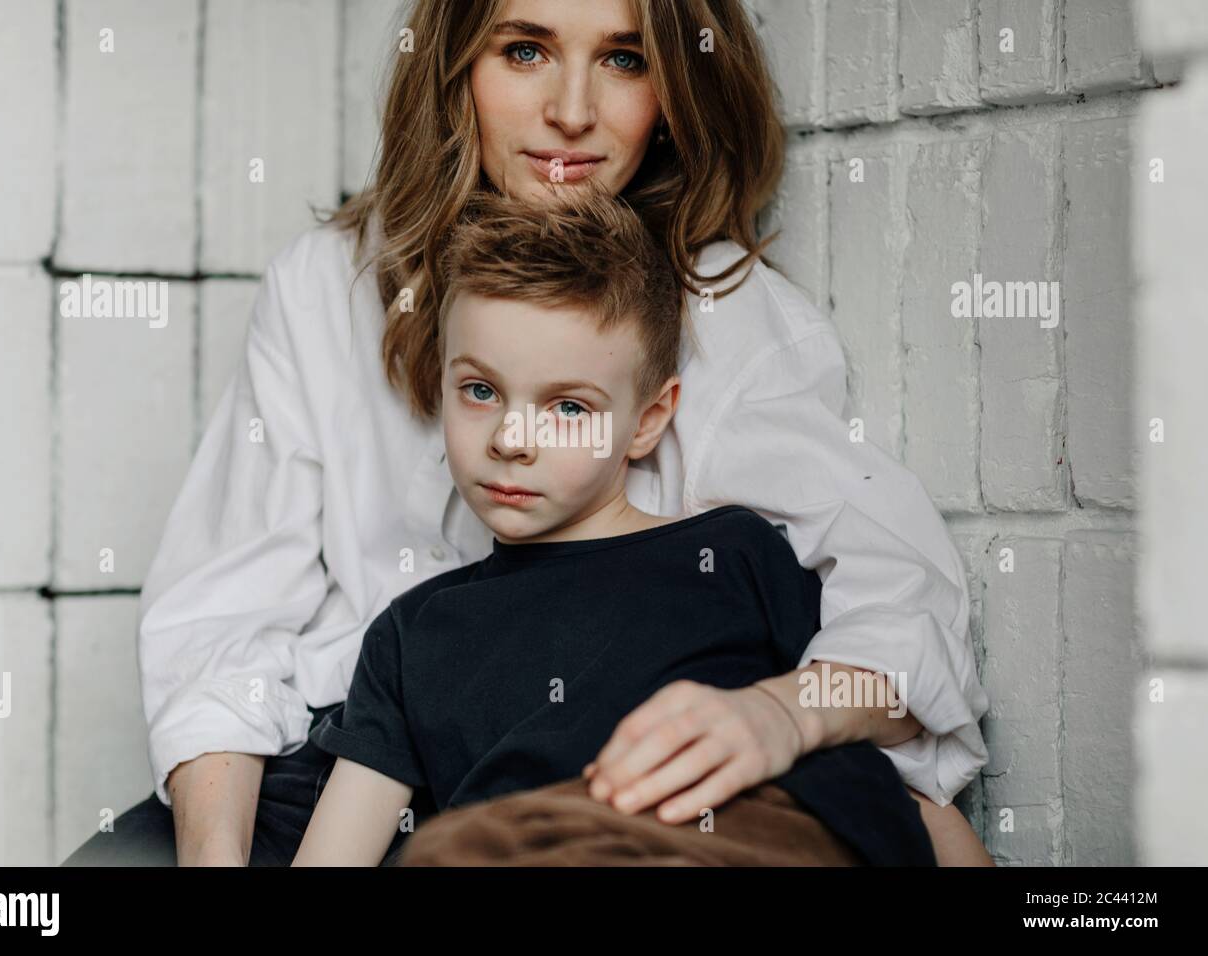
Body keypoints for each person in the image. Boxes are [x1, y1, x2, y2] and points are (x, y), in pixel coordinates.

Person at [62, 0, 990, 868]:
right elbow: (222, 620)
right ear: (456, 65)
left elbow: (896, 601)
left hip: (591, 781)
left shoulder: (718, 306)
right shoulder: (327, 286)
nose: (572, 111)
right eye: (525, 49)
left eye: (624, 59)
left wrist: (781, 716)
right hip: (323, 775)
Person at [292, 189, 940, 867]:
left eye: (569, 407)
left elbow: (886, 733)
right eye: (480, 391)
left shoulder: (732, 554)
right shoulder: (411, 636)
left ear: (650, 419)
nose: (512, 439)